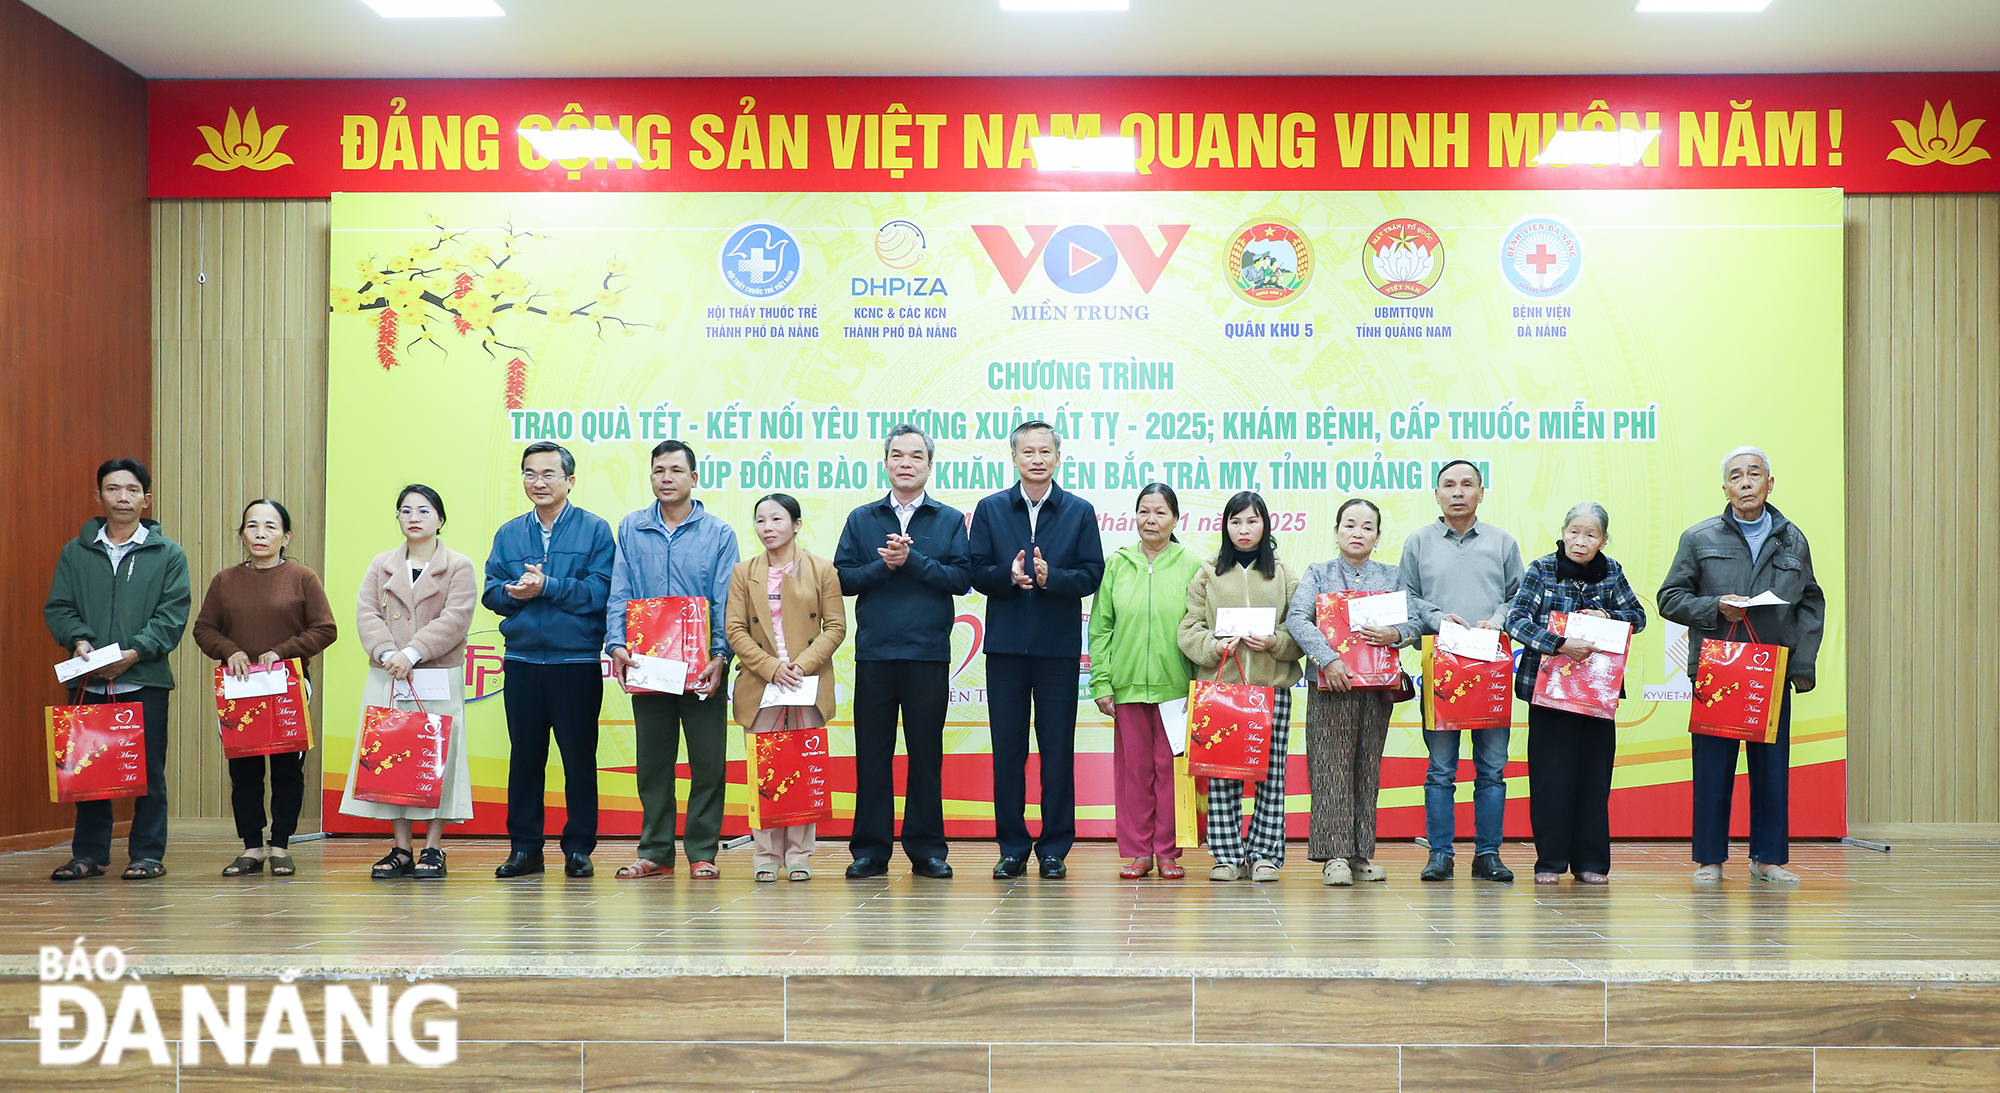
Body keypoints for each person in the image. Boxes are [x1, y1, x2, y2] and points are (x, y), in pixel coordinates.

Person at [1659, 447, 1825, 884]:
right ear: (1725, 488)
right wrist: (1716, 607)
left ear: (1770, 484)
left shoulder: (1793, 538)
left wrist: (1801, 666)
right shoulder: (1700, 538)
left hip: (1771, 670)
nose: (1746, 482)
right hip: (1720, 669)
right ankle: (1709, 859)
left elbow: (1810, 602)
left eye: (1755, 474)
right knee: (1713, 769)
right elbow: (1669, 598)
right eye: (1736, 476)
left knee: (1771, 769)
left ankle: (1767, 859)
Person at [833, 424, 970, 880]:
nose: (906, 463)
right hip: (874, 654)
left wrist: (913, 562)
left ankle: (927, 849)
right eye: (897, 456)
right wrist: (883, 565)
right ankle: (870, 851)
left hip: (928, 654)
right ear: (886, 462)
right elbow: (844, 580)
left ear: (930, 466)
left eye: (916, 456)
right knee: (872, 755)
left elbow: (960, 579)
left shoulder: (948, 519)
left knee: (925, 756)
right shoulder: (862, 518)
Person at [44, 459, 192, 882]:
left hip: (143, 678)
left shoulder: (168, 554)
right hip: (88, 678)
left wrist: (135, 651)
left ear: (147, 498)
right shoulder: (76, 552)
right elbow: (59, 607)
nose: (122, 497)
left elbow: (173, 613)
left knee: (147, 772)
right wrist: (79, 639)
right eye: (112, 489)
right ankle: (88, 856)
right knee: (90, 771)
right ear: (99, 497)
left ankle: (146, 854)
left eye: (131, 490)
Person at [969, 420, 1105, 880]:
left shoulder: (1079, 511)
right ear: (1014, 458)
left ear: (1058, 458)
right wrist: (1008, 577)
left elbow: (1091, 574)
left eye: (1045, 451)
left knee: (1056, 751)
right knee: (1007, 751)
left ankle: (1053, 849)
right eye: (1027, 451)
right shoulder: (990, 509)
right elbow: (974, 572)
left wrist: (1052, 580)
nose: (1037, 459)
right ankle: (1011, 847)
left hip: (1058, 651)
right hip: (1005, 651)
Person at [605, 440, 738, 879]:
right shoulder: (631, 527)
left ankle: (703, 852)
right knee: (653, 763)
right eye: (658, 470)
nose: (666, 478)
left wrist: (721, 655)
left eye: (676, 470)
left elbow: (725, 600)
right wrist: (616, 644)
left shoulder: (718, 533)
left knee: (707, 763)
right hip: (648, 665)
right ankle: (656, 852)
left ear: (694, 478)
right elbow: (619, 591)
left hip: (702, 668)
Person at [483, 441, 616, 879]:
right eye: (529, 474)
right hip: (522, 661)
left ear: (569, 481)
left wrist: (550, 587)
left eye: (548, 474)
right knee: (525, 758)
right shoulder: (509, 533)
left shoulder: (595, 530)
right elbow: (490, 592)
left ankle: (579, 848)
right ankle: (525, 849)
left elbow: (601, 592)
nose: (538, 482)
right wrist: (510, 593)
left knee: (579, 758)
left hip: (574, 662)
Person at [192, 499, 339, 877]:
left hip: (287, 685)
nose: (260, 533)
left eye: (270, 527)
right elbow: (204, 629)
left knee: (287, 769)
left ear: (285, 536)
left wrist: (282, 651)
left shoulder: (302, 577)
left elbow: (325, 629)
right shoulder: (225, 580)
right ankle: (252, 847)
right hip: (240, 688)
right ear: (242, 534)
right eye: (252, 526)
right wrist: (231, 651)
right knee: (244, 770)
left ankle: (281, 846)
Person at [339, 484, 479, 879]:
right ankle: (401, 848)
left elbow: (456, 618)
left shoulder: (458, 566)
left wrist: (412, 653)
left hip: (436, 674)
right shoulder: (381, 563)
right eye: (405, 511)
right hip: (389, 673)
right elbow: (366, 612)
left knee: (437, 758)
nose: (413, 518)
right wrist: (387, 653)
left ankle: (433, 848)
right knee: (392, 757)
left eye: (422, 510)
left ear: (440, 518)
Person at [1505, 502, 1648, 886]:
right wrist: (1558, 643)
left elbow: (1639, 617)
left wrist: (1610, 617)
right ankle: (1549, 862)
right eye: (1573, 531)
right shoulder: (1541, 568)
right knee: (1551, 778)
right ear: (1563, 531)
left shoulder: (1611, 571)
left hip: (1597, 693)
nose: (1580, 541)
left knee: (1593, 778)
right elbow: (1515, 620)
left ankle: (1591, 862)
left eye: (1590, 534)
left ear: (1603, 540)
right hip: (1550, 690)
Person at [1397, 459, 1525, 883]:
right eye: (1448, 485)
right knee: (1440, 770)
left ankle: (1488, 854)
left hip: (1490, 666)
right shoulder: (1418, 542)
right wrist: (1436, 618)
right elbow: (1406, 597)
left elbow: (1519, 598)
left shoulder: (1503, 543)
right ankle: (1440, 854)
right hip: (1442, 669)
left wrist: (1499, 619)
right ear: (1436, 494)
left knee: (1492, 769)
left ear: (1481, 492)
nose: (1457, 492)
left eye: (1466, 484)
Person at [1179, 491, 1304, 883]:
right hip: (1223, 693)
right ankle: (1227, 856)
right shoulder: (1207, 572)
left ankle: (1265, 854)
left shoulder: (1284, 574)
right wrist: (1213, 647)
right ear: (1225, 526)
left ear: (1265, 525)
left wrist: (1277, 643)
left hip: (1272, 690)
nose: (1244, 529)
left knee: (1271, 774)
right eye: (1236, 522)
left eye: (1252, 521)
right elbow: (1189, 629)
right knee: (1222, 774)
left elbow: (1300, 628)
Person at [725, 494, 847, 882]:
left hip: (806, 684)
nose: (767, 527)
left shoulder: (822, 570)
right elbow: (734, 629)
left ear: (796, 525)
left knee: (803, 768)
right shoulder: (744, 572)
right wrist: (771, 667)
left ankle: (799, 856)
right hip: (763, 685)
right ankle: (765, 855)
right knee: (767, 771)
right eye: (760, 520)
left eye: (776, 519)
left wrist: (801, 666)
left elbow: (836, 627)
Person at [1286, 497, 1404, 886]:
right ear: (1337, 532)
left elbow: (1415, 619)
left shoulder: (1391, 576)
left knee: (1366, 767)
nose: (1358, 533)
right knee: (1329, 768)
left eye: (1367, 527)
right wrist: (1327, 659)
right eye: (1350, 525)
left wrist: (1397, 633)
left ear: (1377, 536)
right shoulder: (1318, 573)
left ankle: (1360, 854)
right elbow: (1297, 618)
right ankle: (1333, 856)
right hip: (1330, 684)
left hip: (1375, 689)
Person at [1090, 483, 1203, 880]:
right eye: (1144, 512)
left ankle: (1168, 852)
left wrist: (1198, 687)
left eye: (1160, 513)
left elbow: (1202, 627)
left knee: (1171, 773)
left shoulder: (1192, 564)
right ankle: (1138, 852)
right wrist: (1102, 683)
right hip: (1128, 686)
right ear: (1134, 517)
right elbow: (1100, 627)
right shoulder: (1117, 563)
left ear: (1176, 519)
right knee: (1134, 773)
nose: (1151, 520)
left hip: (1177, 690)